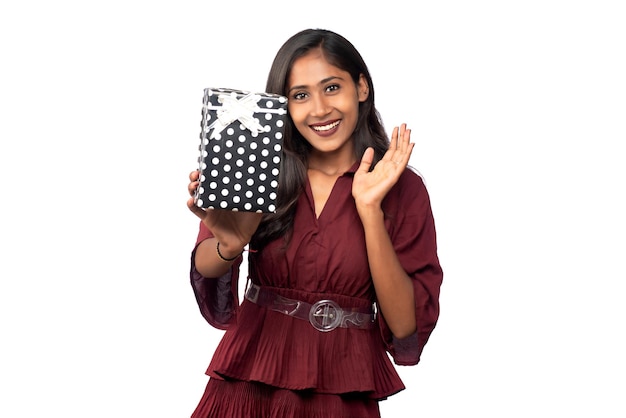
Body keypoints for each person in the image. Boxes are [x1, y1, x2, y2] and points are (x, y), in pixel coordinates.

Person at [186, 28, 443, 418]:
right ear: (284, 104)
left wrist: (369, 210)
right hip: (251, 376)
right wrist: (230, 246)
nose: (320, 109)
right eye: (300, 95)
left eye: (332, 88)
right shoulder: (255, 162)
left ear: (361, 87)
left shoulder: (403, 188)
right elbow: (206, 265)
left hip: (343, 386)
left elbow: (405, 326)